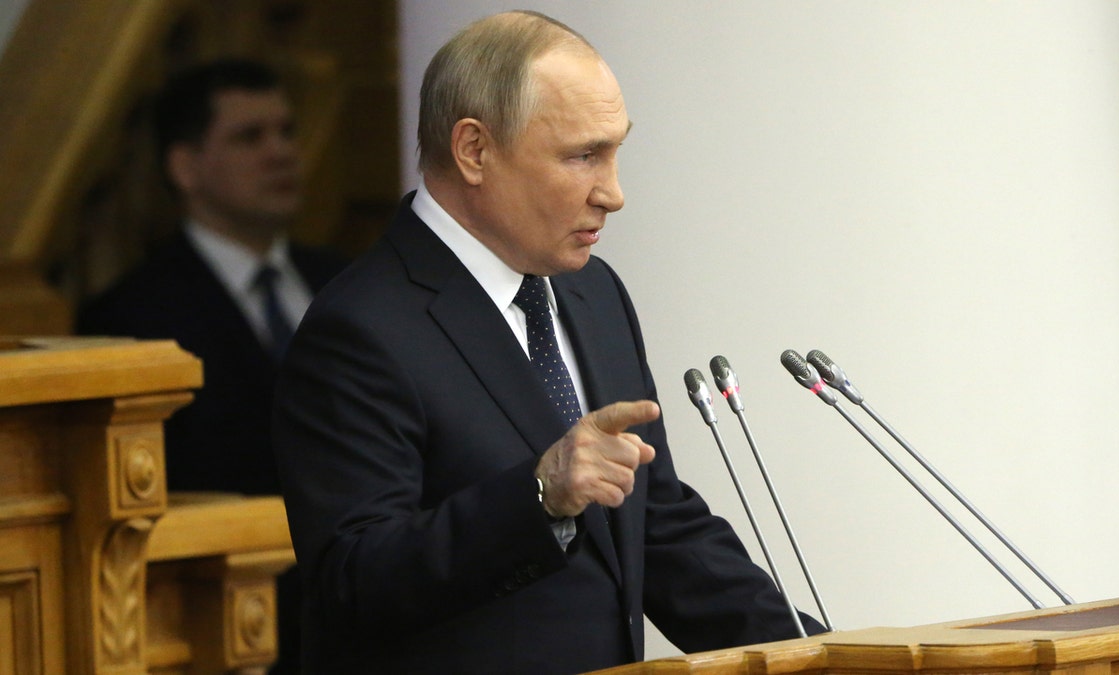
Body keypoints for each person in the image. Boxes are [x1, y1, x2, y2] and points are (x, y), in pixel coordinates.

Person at [272, 10, 825, 674]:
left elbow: (657, 527)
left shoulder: (594, 294)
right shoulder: (360, 327)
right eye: (583, 155)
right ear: (474, 150)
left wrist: (824, 655)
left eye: (616, 151)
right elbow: (353, 581)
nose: (614, 193)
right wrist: (538, 496)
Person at [76, 58, 345, 674]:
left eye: (286, 132)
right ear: (185, 166)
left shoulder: (346, 281)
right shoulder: (132, 316)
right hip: (234, 621)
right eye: (250, 137)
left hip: (376, 607)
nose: (281, 153)